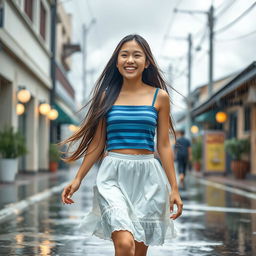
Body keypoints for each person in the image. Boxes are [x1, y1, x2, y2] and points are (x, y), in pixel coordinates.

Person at [60, 34, 183, 256]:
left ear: (147, 63)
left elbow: (163, 145)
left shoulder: (160, 97)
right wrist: (78, 178)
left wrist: (174, 188)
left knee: (138, 249)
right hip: (113, 175)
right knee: (125, 243)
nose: (130, 60)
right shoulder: (106, 97)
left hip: (149, 177)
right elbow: (98, 143)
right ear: (116, 62)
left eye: (137, 55)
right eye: (124, 55)